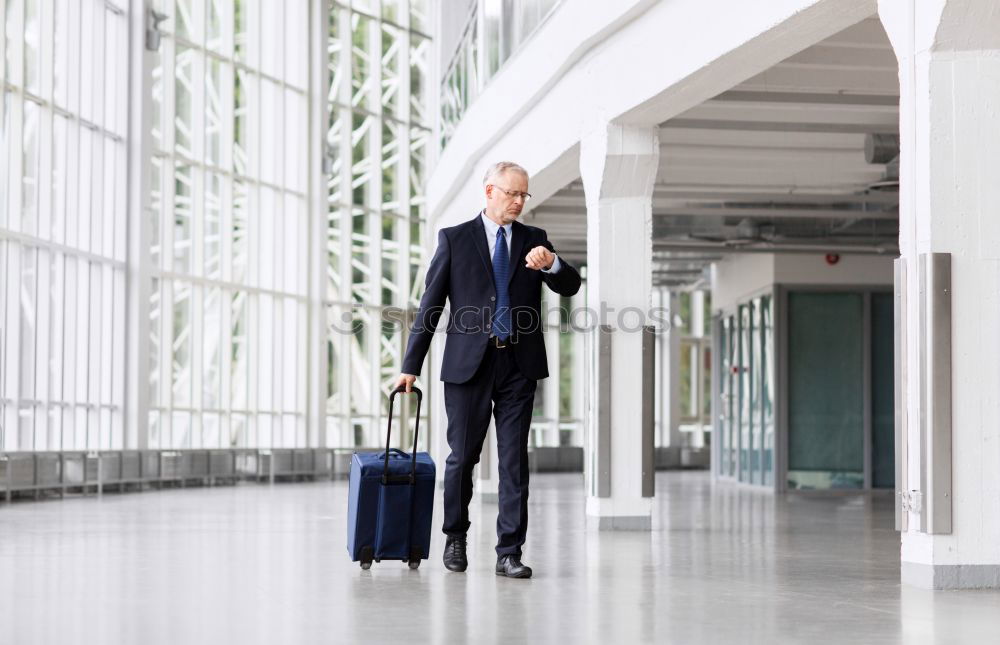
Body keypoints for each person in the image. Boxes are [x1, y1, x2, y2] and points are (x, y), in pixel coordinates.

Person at [395, 161, 582, 579]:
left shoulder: (535, 240)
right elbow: (430, 307)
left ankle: (509, 552)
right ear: (489, 192)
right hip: (468, 367)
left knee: (514, 462)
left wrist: (552, 263)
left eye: (523, 195)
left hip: (519, 364)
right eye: (511, 193)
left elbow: (570, 285)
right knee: (463, 458)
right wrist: (411, 366)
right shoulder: (455, 239)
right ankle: (455, 537)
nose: (518, 201)